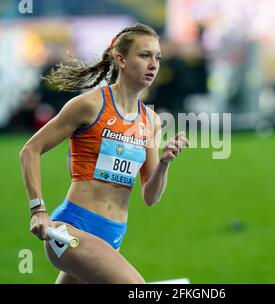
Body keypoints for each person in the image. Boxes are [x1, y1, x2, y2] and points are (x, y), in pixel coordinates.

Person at [19, 23, 189, 284]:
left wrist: (164, 163)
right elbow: (30, 150)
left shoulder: (151, 121)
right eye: (144, 55)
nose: (153, 64)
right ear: (120, 59)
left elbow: (151, 197)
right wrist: (38, 210)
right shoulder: (90, 105)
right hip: (71, 230)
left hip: (113, 237)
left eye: (157, 57)